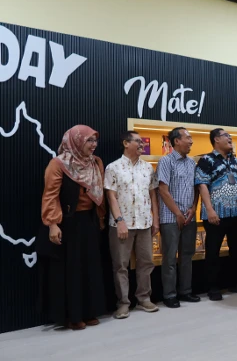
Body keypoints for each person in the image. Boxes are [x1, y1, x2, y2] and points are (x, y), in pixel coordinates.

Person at [37, 125, 106, 330]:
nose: (93, 145)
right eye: (89, 141)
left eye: (95, 140)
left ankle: (89, 311)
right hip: (67, 223)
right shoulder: (58, 164)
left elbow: (99, 193)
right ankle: (72, 316)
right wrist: (53, 224)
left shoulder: (96, 162)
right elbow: (50, 195)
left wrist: (100, 218)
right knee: (71, 271)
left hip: (89, 222)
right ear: (75, 141)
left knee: (90, 268)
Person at [104, 131, 160, 319]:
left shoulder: (147, 168)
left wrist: (156, 220)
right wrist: (120, 221)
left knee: (146, 263)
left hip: (145, 223)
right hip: (121, 224)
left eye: (142, 141)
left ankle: (144, 298)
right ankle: (123, 303)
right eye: (138, 141)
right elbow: (111, 196)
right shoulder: (113, 168)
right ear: (126, 143)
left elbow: (153, 195)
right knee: (120, 265)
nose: (142, 144)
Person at [196, 128, 237, 301]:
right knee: (213, 251)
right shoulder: (206, 160)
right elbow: (202, 185)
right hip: (216, 214)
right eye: (226, 136)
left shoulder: (235, 160)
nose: (230, 138)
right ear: (216, 140)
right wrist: (210, 209)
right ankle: (213, 287)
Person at [157, 127, 200, 308]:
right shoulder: (166, 161)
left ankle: (186, 291)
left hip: (189, 217)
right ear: (176, 141)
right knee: (169, 257)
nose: (191, 141)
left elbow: (197, 189)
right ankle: (169, 294)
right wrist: (177, 213)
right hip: (170, 217)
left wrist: (193, 209)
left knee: (187, 256)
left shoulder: (192, 163)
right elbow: (163, 190)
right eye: (188, 138)